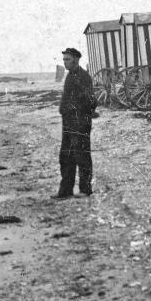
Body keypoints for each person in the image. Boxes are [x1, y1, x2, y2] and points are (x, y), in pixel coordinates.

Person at [55, 47, 97, 199]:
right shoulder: (70, 76)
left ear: (76, 60)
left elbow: (91, 100)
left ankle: (86, 190)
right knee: (66, 156)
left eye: (68, 59)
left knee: (82, 156)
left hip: (80, 122)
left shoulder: (84, 77)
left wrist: (78, 113)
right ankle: (65, 191)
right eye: (64, 59)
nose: (65, 62)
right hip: (68, 121)